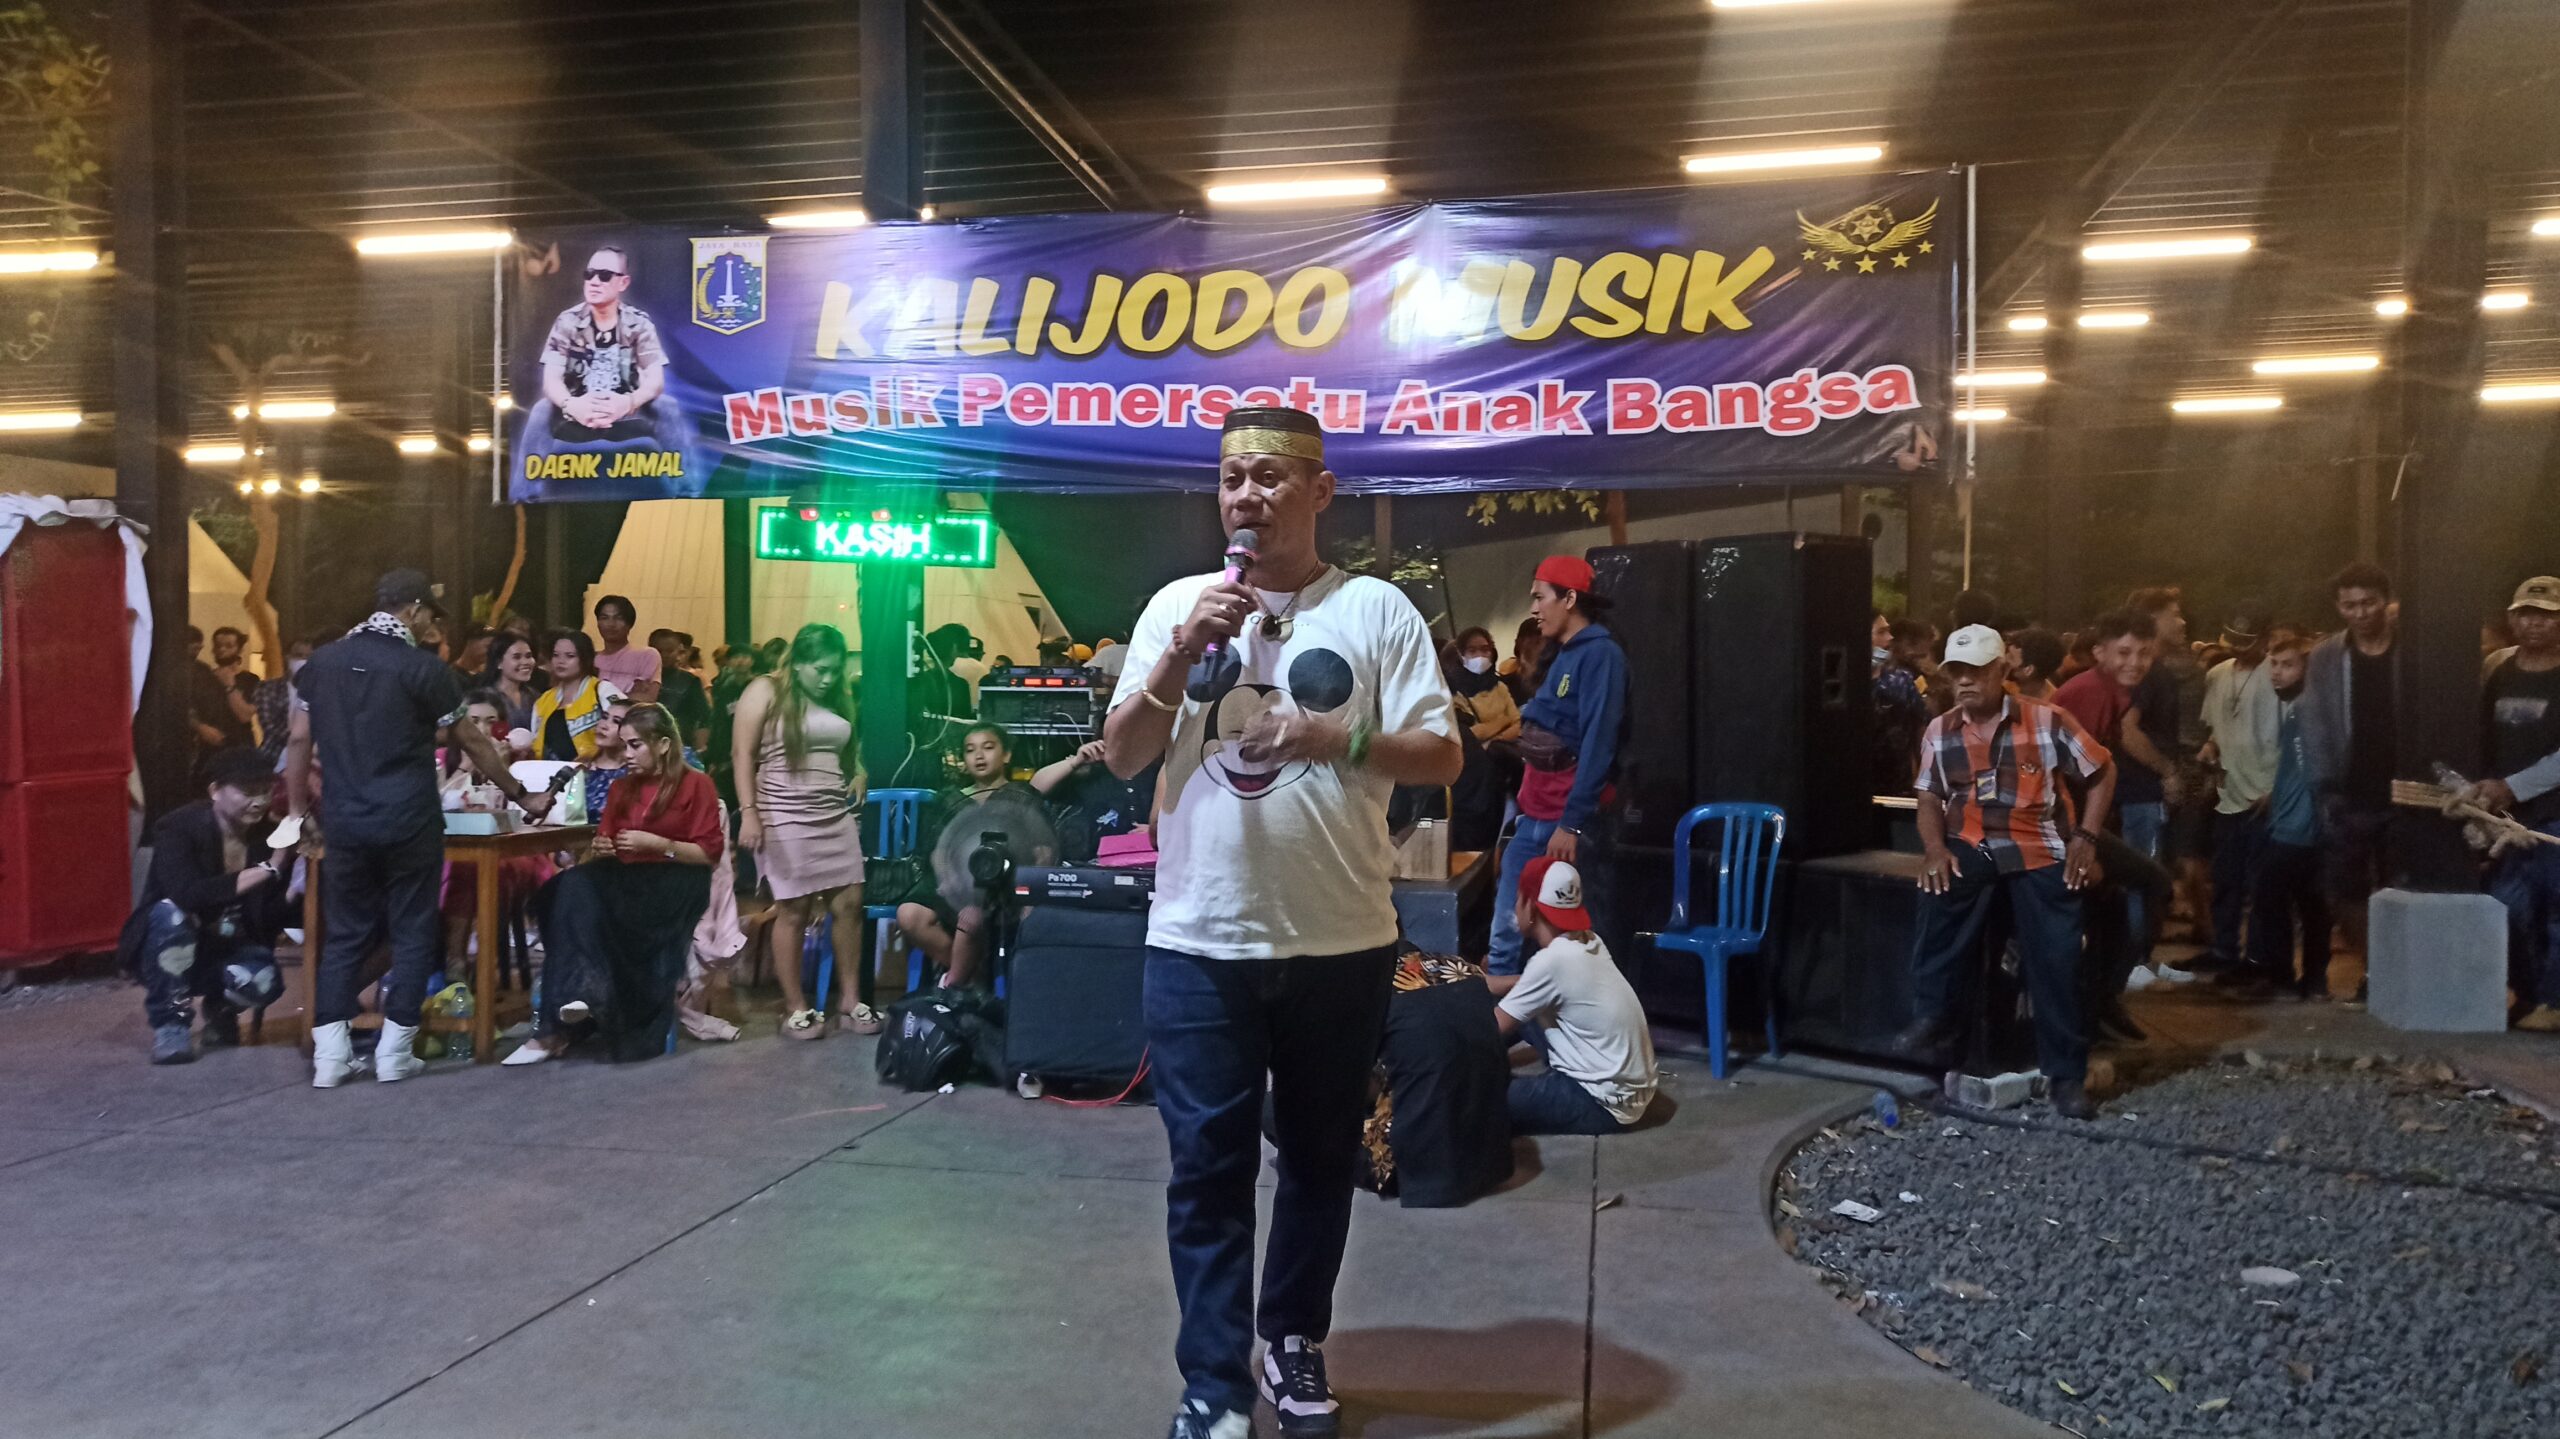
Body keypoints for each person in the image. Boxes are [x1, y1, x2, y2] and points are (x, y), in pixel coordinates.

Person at [1102, 405, 1459, 1439]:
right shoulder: (1177, 606)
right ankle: (1214, 1380)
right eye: (1232, 479)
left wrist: (1333, 739)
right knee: (1207, 1168)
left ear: (1320, 490)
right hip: (1198, 943)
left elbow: (1441, 756)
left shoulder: (1377, 609)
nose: (1247, 496)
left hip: (1340, 938)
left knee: (1315, 1158)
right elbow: (1123, 754)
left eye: (1269, 476)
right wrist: (1179, 653)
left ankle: (1292, 1337)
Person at [286, 569, 554, 1089]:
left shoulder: (322, 664)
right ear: (411, 609)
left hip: (345, 819)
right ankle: (394, 1052)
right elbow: (472, 740)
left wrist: (298, 814)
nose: (431, 625)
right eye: (429, 614)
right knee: (411, 929)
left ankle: (331, 1057)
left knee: (345, 932)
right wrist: (521, 795)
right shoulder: (424, 669)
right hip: (409, 817)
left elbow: (298, 741)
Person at [1893, 625, 2111, 1120]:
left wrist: (2087, 836)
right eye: (1956, 672)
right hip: (1973, 841)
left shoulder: (2046, 720)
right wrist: (1934, 849)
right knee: (1938, 890)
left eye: (1975, 671)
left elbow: (2102, 771)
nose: (1965, 681)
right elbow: (1928, 797)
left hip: (2038, 844)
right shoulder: (1940, 729)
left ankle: (2067, 1075)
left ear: (2001, 671)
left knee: (2058, 957)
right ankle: (1933, 1017)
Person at [506, 704, 721, 1064]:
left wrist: (659, 845)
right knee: (565, 887)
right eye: (624, 746)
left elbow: (707, 854)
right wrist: (603, 847)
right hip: (626, 874)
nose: (627, 754)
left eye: (636, 745)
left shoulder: (696, 784)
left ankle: (562, 1020)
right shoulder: (622, 787)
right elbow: (605, 840)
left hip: (677, 877)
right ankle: (577, 996)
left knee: (582, 893)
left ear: (663, 744)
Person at [1487, 556, 1629, 977]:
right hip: (1535, 815)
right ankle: (1497, 1012)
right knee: (1507, 925)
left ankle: (1581, 1013)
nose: (1534, 608)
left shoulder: (1602, 655)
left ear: (1569, 599)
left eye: (1539, 597)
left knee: (1577, 935)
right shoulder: (1562, 654)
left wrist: (1572, 823)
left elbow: (1600, 742)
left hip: (1569, 823)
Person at [732, 622, 875, 1039]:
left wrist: (859, 771)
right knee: (793, 909)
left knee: (850, 904)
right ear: (796, 662)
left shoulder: (838, 696)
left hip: (833, 813)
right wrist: (749, 813)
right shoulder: (766, 689)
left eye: (835, 669)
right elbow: (741, 753)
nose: (828, 678)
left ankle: (850, 1000)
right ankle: (795, 1007)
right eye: (819, 669)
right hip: (783, 812)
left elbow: (845, 746)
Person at [119, 748, 295, 1064]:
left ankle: (222, 1010)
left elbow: (271, 915)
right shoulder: (179, 827)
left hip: (227, 945)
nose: (259, 801)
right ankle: (171, 1024)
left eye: (265, 790)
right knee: (171, 913)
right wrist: (268, 870)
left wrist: (295, 888)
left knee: (265, 981)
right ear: (215, 791)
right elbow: (187, 894)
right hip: (171, 946)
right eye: (247, 791)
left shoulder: (269, 836)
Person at [896, 724, 1103, 989]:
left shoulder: (1021, 795)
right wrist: (949, 881)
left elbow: (1043, 849)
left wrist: (1031, 895)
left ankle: (957, 983)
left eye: (988, 747)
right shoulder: (949, 799)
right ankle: (974, 977)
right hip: (955, 880)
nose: (979, 756)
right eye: (970, 750)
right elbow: (937, 850)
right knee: (909, 915)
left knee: (972, 916)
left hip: (1005, 883)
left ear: (1006, 755)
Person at [2051, 609, 2187, 1010]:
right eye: (2124, 653)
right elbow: (2053, 773)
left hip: (2079, 821)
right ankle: (2103, 998)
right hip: (2061, 823)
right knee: (2151, 881)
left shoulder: (2115, 693)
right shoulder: (2088, 693)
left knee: (2113, 903)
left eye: (2144, 653)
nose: (2135, 663)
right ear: (2100, 652)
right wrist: (2082, 841)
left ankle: (2102, 1001)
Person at [1485, 857, 1658, 1135]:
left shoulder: (1550, 962)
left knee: (1475, 1099)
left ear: (1529, 905)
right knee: (1513, 1007)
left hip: (1599, 1103)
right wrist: (1478, 982)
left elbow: (1491, 1027)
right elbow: (1537, 987)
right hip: (1630, 1095)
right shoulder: (1588, 940)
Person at [2463, 577, 2560, 1032]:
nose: (2534, 623)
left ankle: (2554, 1002)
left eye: (2546, 615)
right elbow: (2481, 732)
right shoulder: (2497, 667)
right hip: (2505, 821)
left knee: (2556, 911)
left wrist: (2513, 786)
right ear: (2511, 618)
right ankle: (2527, 994)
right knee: (2507, 907)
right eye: (2526, 613)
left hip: (2552, 818)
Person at [2299, 561, 2398, 990]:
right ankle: (2375, 965)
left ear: (2386, 601)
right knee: (2343, 888)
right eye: (2350, 605)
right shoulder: (2327, 655)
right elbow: (2314, 721)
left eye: (2368, 602)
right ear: (2339, 607)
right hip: (2349, 788)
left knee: (2399, 887)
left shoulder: (2409, 649)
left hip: (2403, 790)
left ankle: (2394, 970)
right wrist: (2324, 785)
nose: (2360, 613)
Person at [437, 689, 558, 976]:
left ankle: (466, 961)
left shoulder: (515, 760)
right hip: (448, 846)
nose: (483, 730)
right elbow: (438, 801)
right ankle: (455, 960)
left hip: (502, 846)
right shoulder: (441, 758)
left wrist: (500, 768)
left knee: (487, 869)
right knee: (463, 869)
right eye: (474, 721)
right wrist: (464, 769)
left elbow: (515, 811)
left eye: (491, 722)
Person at [531, 246, 679, 449]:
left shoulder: (639, 323)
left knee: (668, 407)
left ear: (623, 282)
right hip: (577, 412)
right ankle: (528, 471)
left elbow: (655, 381)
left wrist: (628, 403)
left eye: (605, 275)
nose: (594, 281)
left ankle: (685, 471)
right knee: (541, 410)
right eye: (589, 274)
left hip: (626, 412)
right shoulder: (567, 321)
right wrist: (572, 405)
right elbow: (551, 380)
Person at [2199, 607, 2280, 974]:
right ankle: (2223, 949)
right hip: (2228, 791)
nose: (2238, 648)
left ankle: (2257, 958)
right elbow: (2216, 727)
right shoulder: (2216, 675)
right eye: (2233, 640)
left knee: (2260, 884)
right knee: (2226, 878)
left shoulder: (2276, 674)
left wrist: (2277, 788)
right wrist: (2211, 746)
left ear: (2264, 639)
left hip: (2265, 793)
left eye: (2247, 642)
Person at [2252, 628, 2331, 1000]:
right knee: (2313, 905)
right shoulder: (2314, 707)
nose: (2277, 673)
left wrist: (2297, 816)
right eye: (2274, 664)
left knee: (2270, 896)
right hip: (2308, 825)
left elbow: (2312, 770)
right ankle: (2315, 980)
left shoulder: (2304, 710)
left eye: (2287, 665)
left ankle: (2281, 978)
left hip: (2297, 829)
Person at [1443, 627, 1522, 852]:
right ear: (1461, 655)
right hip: (1479, 771)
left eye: (1485, 649)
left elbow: (1518, 723)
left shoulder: (1499, 686)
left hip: (1504, 757)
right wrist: (1503, 722)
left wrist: (1495, 736)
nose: (1480, 656)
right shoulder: (1454, 693)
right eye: (1472, 650)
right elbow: (1470, 735)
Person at [531, 627, 624, 763]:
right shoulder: (543, 701)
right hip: (549, 772)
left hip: (594, 770)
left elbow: (628, 725)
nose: (561, 661)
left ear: (585, 658)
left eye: (570, 656)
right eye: (556, 655)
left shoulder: (602, 690)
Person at [1873, 617, 1935, 788]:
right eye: (1881, 632)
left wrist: (1926, 780)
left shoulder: (1901, 680)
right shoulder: (1842, 685)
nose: (1889, 638)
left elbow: (1920, 730)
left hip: (1898, 784)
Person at [253, 634, 323, 767]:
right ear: (288, 657)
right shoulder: (268, 688)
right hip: (273, 757)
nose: (303, 661)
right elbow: (270, 727)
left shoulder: (323, 691)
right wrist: (303, 737)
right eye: (298, 655)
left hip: (312, 760)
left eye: (308, 657)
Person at [188, 625, 255, 753]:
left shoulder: (250, 679)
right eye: (218, 645)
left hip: (240, 747)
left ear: (239, 649)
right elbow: (187, 708)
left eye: (229, 646)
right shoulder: (203, 675)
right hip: (207, 747)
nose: (222, 650)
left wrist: (229, 685)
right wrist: (200, 727)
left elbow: (245, 716)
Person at [649, 626, 712, 751]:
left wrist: (700, 750)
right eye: (659, 650)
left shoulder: (690, 681)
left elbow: (703, 718)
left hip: (680, 746)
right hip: (647, 744)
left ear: (679, 652)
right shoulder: (641, 678)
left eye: (670, 651)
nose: (664, 655)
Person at [591, 594, 661, 699]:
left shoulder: (647, 655)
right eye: (604, 618)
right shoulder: (591, 659)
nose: (611, 624)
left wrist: (602, 699)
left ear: (630, 623)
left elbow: (647, 698)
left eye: (618, 618)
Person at [481, 631, 542, 741]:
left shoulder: (535, 697)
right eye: (517, 657)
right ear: (499, 663)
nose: (525, 662)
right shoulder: (484, 699)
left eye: (528, 656)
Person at [2005, 626, 2066, 700]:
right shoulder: (2000, 684)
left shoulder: (2054, 702)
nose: (2004, 659)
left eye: (2011, 657)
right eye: (2006, 652)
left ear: (2029, 670)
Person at [1498, 616, 1546, 704]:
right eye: (1536, 642)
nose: (1540, 648)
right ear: (1519, 643)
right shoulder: (1503, 687)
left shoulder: (1556, 679)